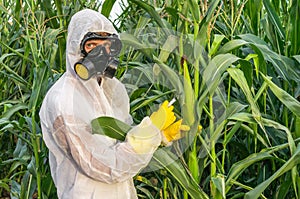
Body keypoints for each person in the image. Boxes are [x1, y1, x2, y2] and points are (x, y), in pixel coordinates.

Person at [39, 9, 182, 199]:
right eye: (92, 45)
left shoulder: (113, 89)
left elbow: (124, 141)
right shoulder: (63, 101)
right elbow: (102, 166)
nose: (102, 53)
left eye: (107, 46)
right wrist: (148, 136)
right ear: (75, 49)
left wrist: (160, 136)